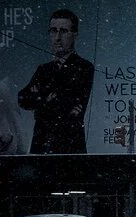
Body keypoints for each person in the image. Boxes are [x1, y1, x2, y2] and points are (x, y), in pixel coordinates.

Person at [18, 9, 95, 154]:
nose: (57, 37)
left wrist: (39, 99)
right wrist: (47, 99)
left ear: (74, 35)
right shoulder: (43, 69)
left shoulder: (84, 67)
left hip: (69, 148)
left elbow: (68, 103)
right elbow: (22, 98)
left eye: (63, 31)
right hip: (41, 147)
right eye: (53, 31)